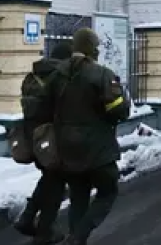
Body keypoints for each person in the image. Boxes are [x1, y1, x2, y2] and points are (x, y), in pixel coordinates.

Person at [47, 28, 131, 244]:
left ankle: (76, 239)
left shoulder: (57, 75)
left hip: (67, 148)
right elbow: (118, 110)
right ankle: (79, 235)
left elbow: (45, 108)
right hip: (98, 149)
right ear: (93, 49)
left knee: (78, 196)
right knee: (107, 191)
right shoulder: (102, 74)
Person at [13, 42, 71, 244]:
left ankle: (28, 217)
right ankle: (45, 231)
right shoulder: (60, 77)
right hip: (53, 136)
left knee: (49, 178)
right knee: (56, 182)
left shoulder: (33, 76)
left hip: (34, 137)